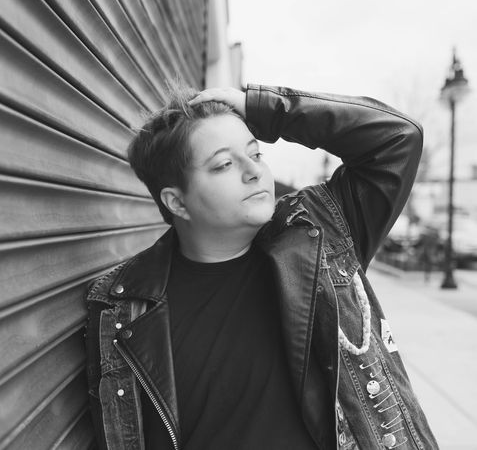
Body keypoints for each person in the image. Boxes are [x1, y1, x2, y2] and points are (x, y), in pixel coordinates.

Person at [85, 83, 439, 450]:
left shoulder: (319, 237)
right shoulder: (124, 308)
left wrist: (267, 110)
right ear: (177, 202)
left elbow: (398, 139)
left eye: (255, 153)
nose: (254, 171)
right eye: (224, 164)